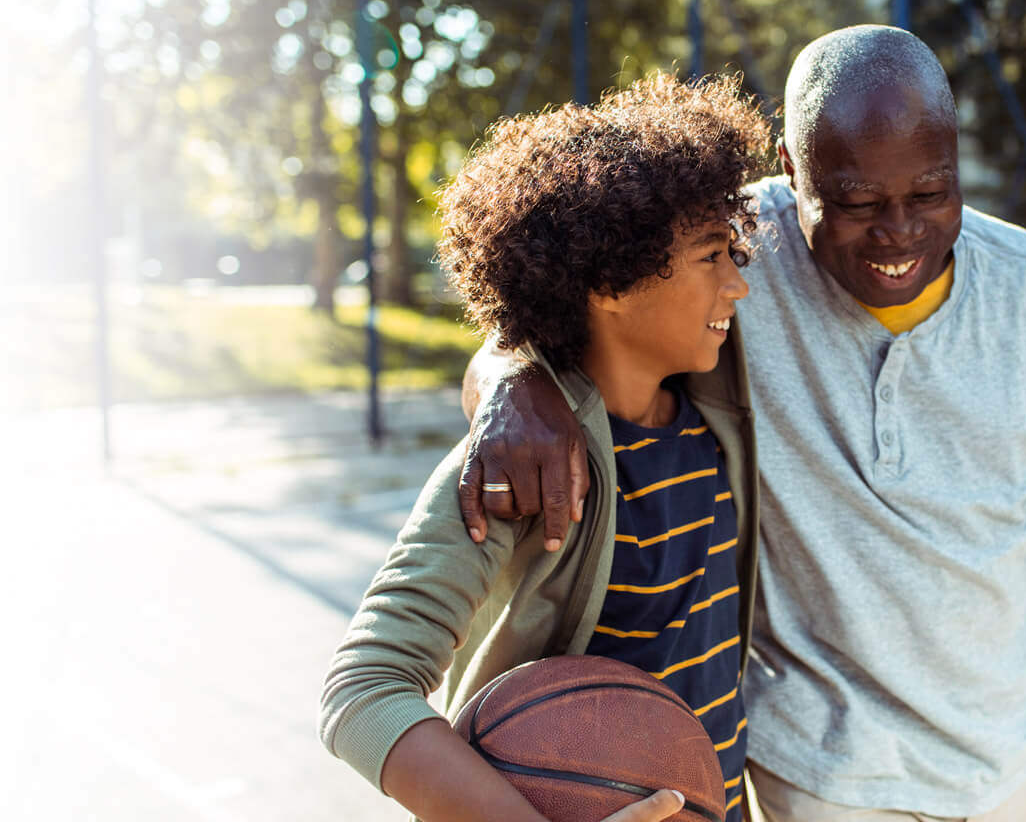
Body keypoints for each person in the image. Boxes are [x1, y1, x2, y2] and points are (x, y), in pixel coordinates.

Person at [459, 26, 1026, 822]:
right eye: (858, 203)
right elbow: (555, 314)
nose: (900, 233)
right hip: (823, 769)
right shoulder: (729, 262)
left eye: (932, 192)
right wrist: (516, 381)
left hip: (1008, 752)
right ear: (792, 171)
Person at [318, 73, 776, 822]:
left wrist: (506, 368)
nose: (740, 287)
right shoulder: (521, 468)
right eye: (709, 258)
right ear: (609, 282)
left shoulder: (715, 405)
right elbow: (362, 689)